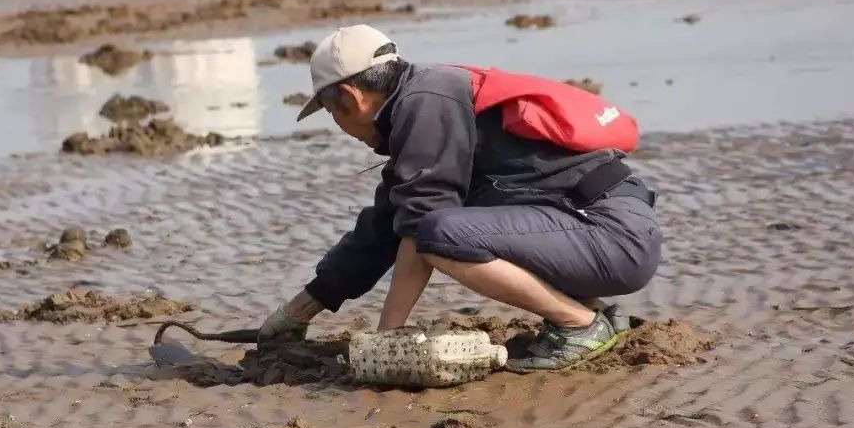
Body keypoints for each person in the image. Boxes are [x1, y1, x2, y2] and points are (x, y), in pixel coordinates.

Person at [258, 25, 661, 371]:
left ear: (350, 97)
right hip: (599, 233)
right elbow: (383, 228)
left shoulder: (426, 103)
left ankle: (579, 324)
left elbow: (419, 226)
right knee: (436, 226)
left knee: (439, 232)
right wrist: (298, 312)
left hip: (611, 236)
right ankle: (593, 313)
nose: (339, 125)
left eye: (332, 112)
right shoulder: (421, 103)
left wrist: (387, 339)